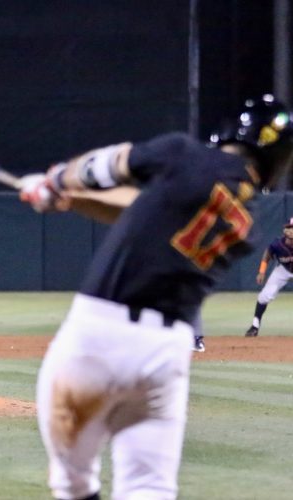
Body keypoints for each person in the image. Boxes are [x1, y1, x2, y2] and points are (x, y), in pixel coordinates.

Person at [18, 94, 293, 500]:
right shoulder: (247, 225)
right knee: (148, 488)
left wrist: (56, 181)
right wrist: (70, 198)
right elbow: (148, 209)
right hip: (165, 355)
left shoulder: (182, 154)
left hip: (97, 337)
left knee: (73, 483)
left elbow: (101, 168)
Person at [244, 216, 293, 337]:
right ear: (285, 230)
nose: (291, 230)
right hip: (283, 270)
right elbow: (267, 255)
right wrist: (261, 272)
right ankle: (254, 327)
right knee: (264, 296)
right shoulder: (277, 244)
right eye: (289, 227)